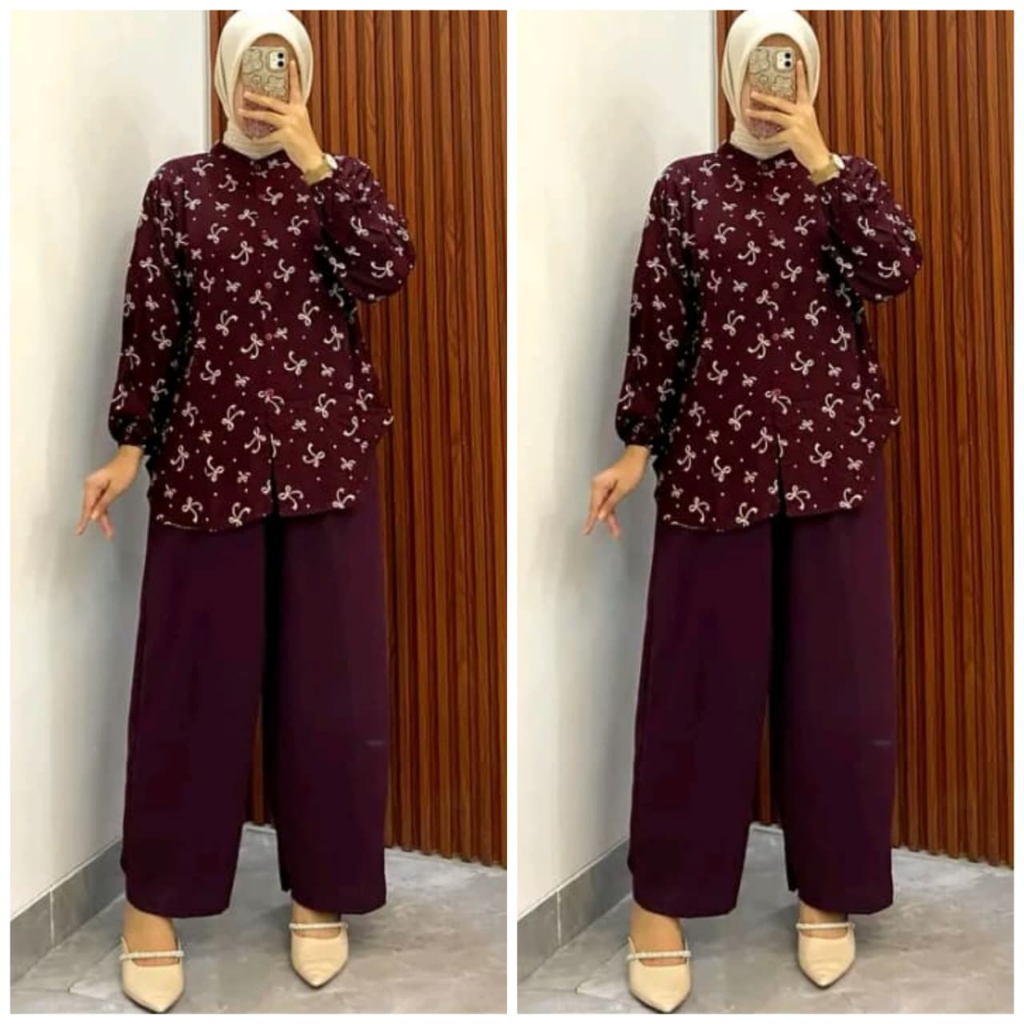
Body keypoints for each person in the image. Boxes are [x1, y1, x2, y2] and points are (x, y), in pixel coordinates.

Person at [584, 9, 922, 1013]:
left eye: (790, 65)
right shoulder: (686, 186)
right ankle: (661, 902)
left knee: (838, 691)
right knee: (695, 691)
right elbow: (659, 321)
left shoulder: (843, 182)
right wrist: (635, 446)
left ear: (808, 77)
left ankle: (829, 891)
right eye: (758, 65)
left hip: (831, 469)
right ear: (732, 75)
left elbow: (896, 269)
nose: (771, 83)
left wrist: (823, 160)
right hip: (710, 469)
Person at [76, 10, 414, 1013]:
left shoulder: (337, 183)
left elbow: (388, 268)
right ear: (226, 75)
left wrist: (316, 161)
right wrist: (129, 445)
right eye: (253, 66)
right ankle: (155, 901)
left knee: (331, 689)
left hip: (325, 467)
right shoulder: (179, 187)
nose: (266, 84)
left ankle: (322, 890)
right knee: (188, 689)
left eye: (284, 67)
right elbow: (152, 320)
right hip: (204, 466)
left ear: (302, 78)